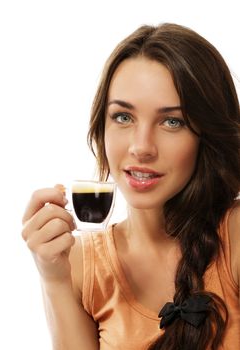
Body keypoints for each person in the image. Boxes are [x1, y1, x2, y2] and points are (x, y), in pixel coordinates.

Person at [22, 23, 240, 349]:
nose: (141, 147)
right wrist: (53, 278)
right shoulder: (81, 264)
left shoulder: (234, 238)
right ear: (101, 127)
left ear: (206, 135)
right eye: (123, 117)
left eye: (172, 121)